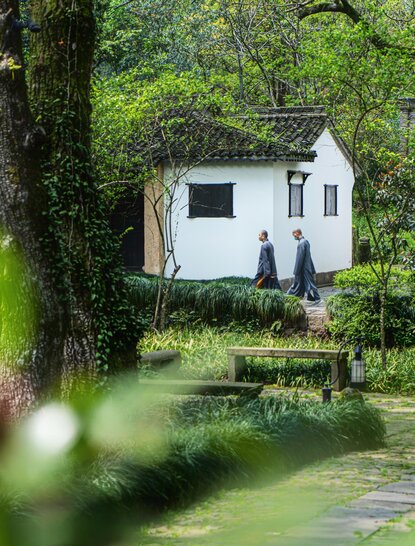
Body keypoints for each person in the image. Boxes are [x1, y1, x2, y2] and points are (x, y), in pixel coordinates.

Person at [287, 229, 321, 303]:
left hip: (304, 268)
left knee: (310, 283)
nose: (293, 236)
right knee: (307, 282)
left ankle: (317, 298)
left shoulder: (301, 243)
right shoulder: (305, 241)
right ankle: (306, 296)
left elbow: (300, 258)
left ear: (298, 233)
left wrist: (296, 270)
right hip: (306, 266)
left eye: (294, 234)